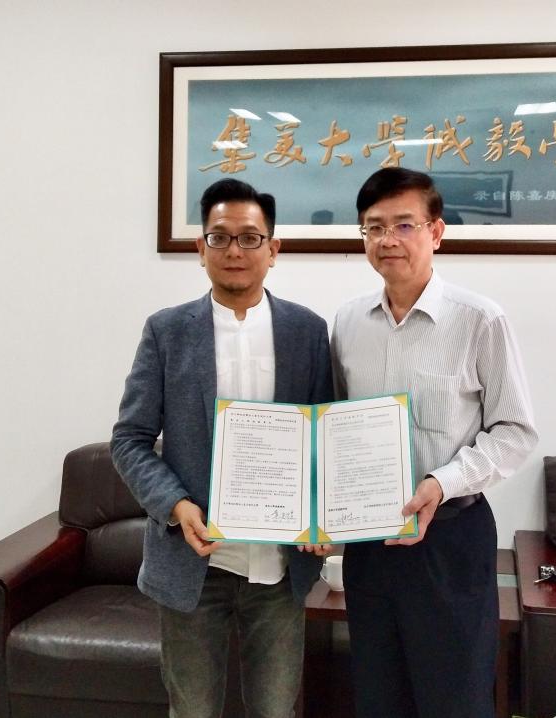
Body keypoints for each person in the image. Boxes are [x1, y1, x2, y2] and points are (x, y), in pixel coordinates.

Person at [111, 178, 333, 718]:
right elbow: (130, 439)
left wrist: (323, 517)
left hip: (278, 569)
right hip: (194, 562)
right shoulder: (166, 331)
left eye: (250, 238)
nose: (235, 250)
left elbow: (325, 439)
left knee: (275, 711)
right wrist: (176, 506)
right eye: (220, 237)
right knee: (192, 711)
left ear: (273, 249)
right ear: (201, 248)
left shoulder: (307, 331)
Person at [331, 167, 539, 718]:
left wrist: (440, 483)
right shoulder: (347, 322)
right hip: (370, 545)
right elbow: (335, 425)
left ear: (436, 232)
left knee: (455, 698)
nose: (387, 240)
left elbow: (516, 431)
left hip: (449, 540)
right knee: (377, 695)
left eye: (404, 224)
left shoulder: (480, 320)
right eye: (374, 227)